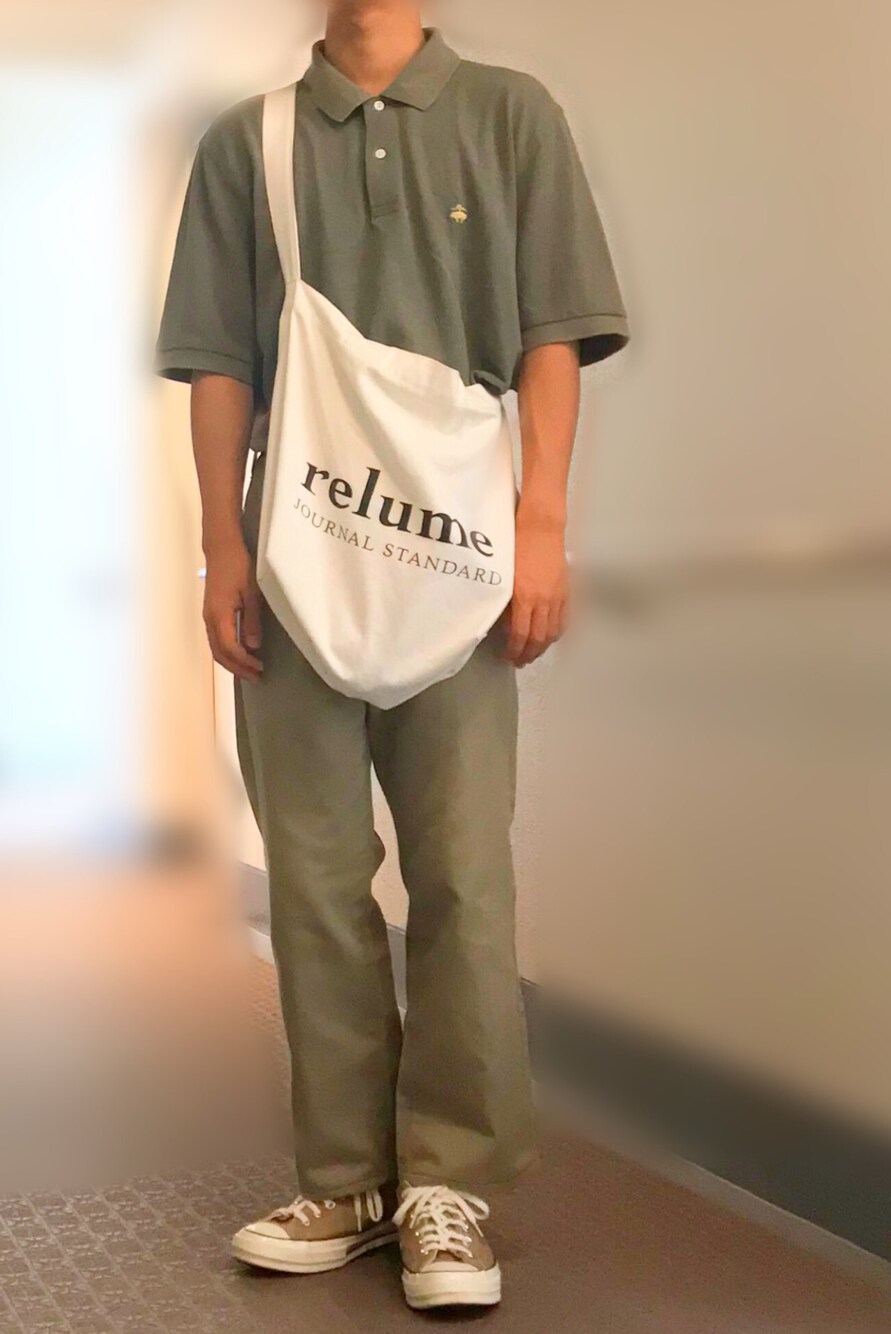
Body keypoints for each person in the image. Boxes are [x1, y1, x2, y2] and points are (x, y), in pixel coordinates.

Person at [156, 0, 628, 1311]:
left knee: (462, 871)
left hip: (457, 561)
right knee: (313, 879)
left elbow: (550, 336)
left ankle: (448, 1182)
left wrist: (543, 525)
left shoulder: (510, 116)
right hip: (294, 555)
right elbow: (219, 364)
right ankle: (349, 1176)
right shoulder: (246, 141)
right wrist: (222, 547)